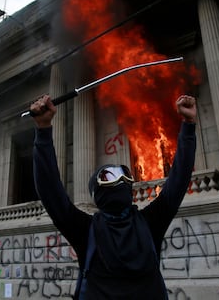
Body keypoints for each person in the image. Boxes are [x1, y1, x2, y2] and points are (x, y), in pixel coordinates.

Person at [31, 94, 197, 299]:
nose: (119, 180)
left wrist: (188, 125)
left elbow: (179, 179)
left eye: (124, 174)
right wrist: (43, 130)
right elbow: (50, 190)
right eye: (108, 176)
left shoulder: (150, 222)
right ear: (97, 193)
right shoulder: (85, 230)